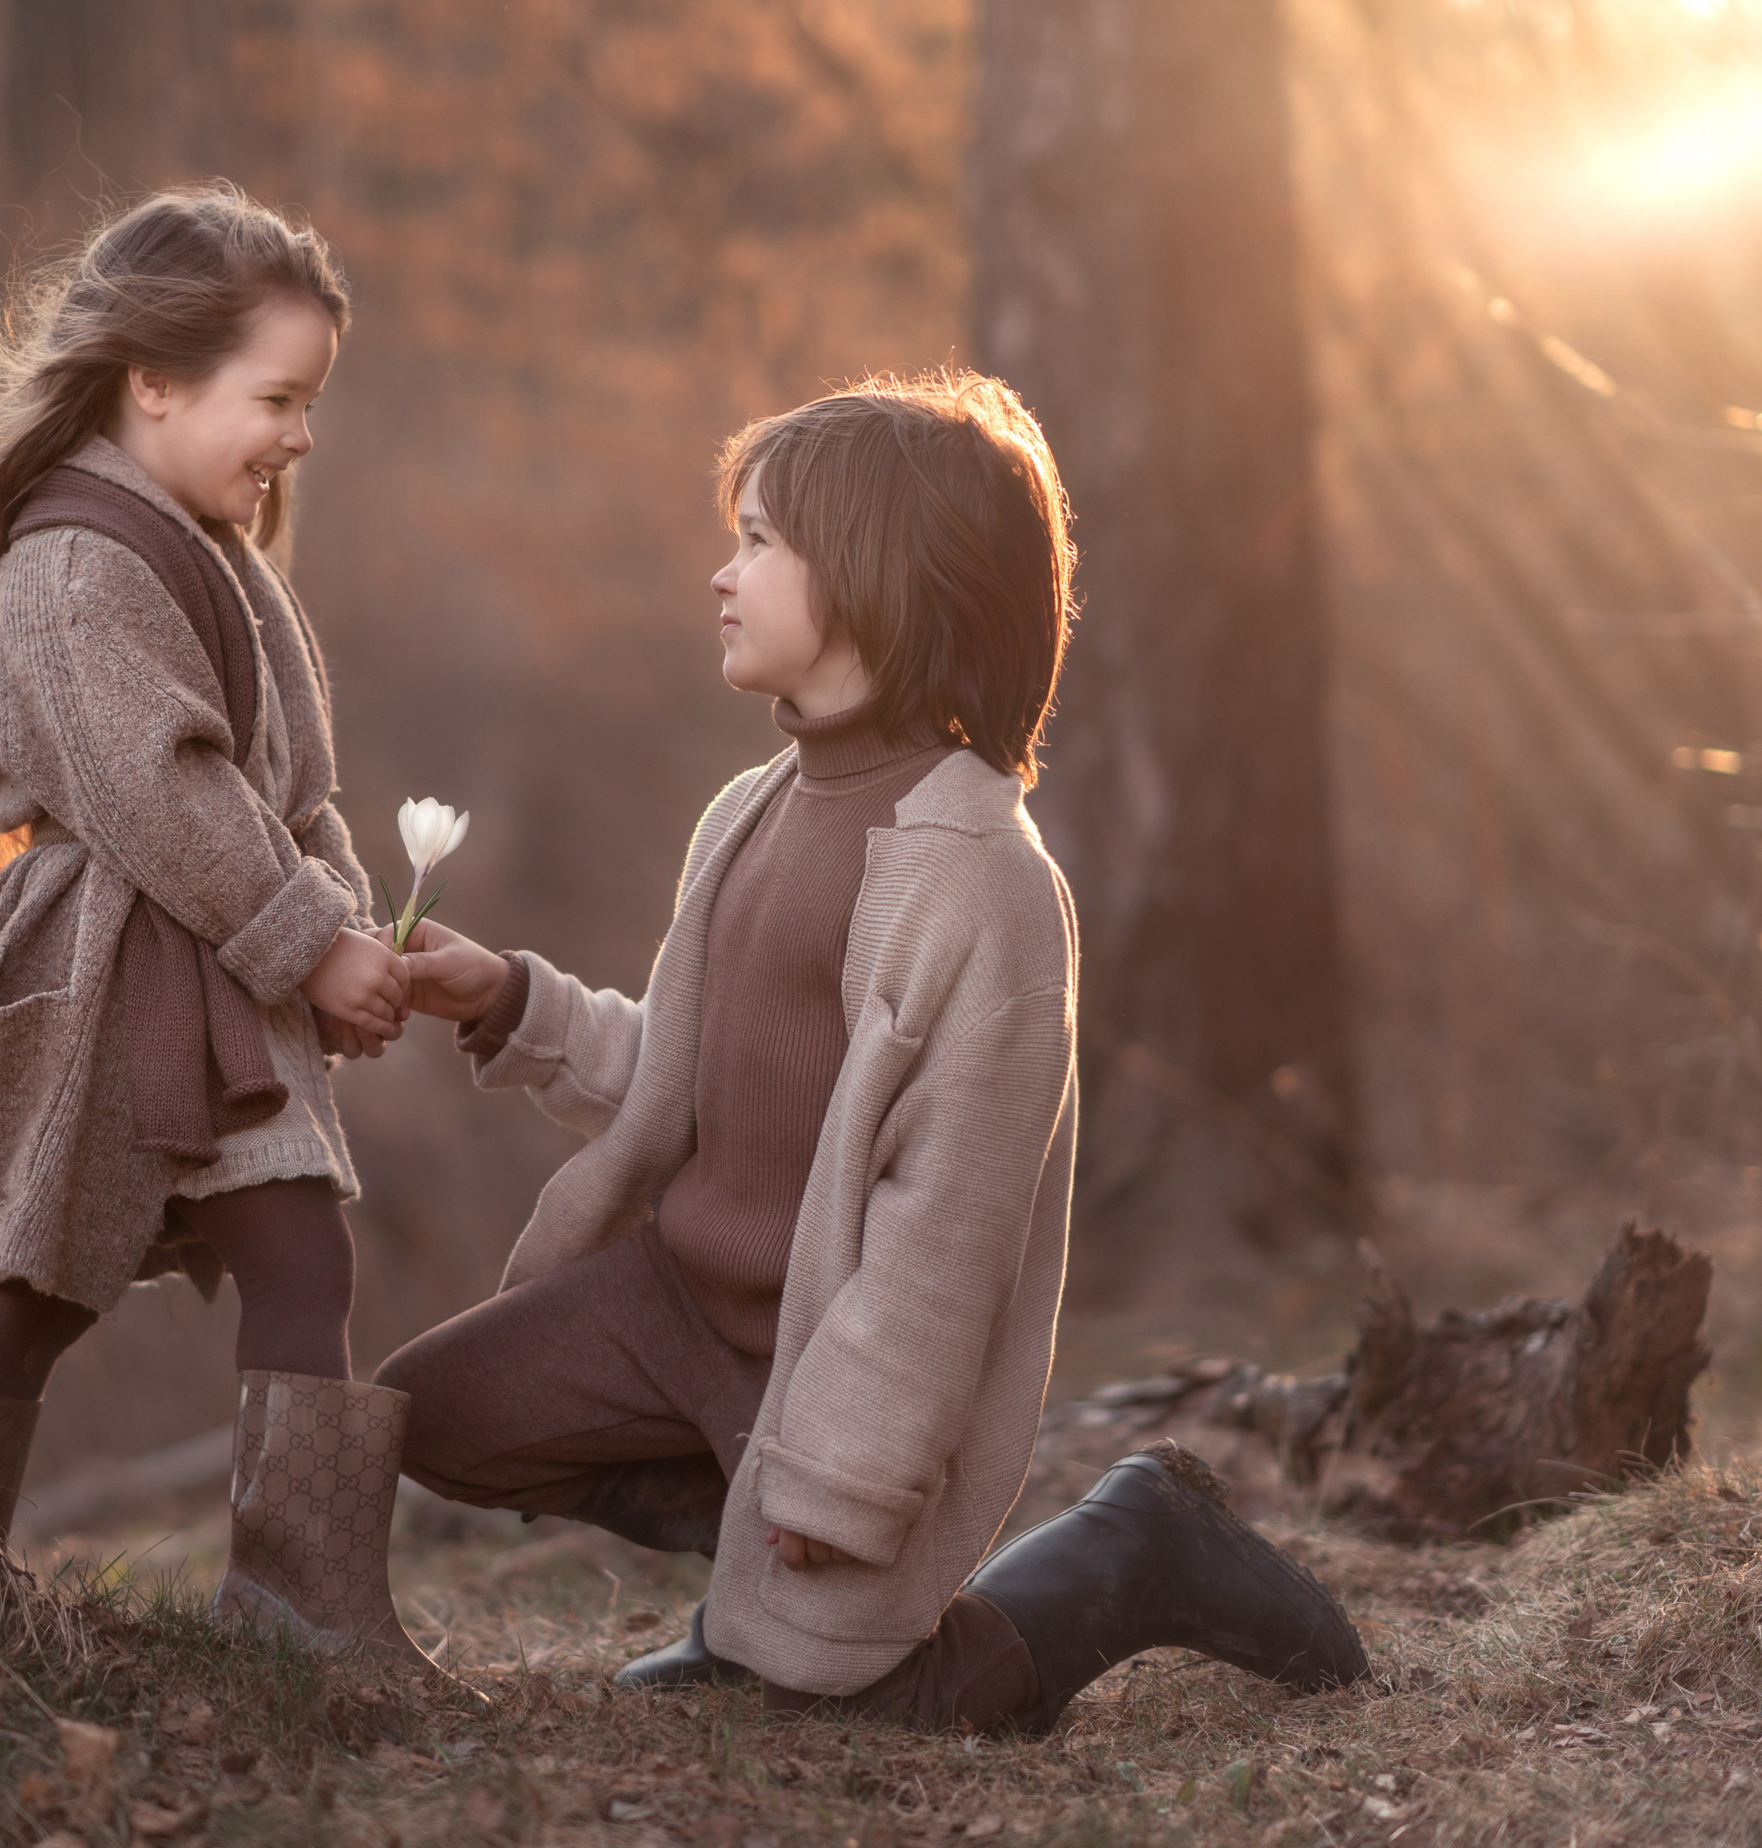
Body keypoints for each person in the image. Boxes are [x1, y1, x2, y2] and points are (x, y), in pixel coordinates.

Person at [379, 372, 1367, 1731]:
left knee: (864, 1709)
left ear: (873, 576)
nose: (722, 575)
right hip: (679, 1309)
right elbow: (697, 1078)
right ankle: (764, 1591)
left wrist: (842, 1470)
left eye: (758, 542)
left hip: (834, 1343)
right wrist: (511, 1002)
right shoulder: (750, 810)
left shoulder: (981, 882)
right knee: (432, 1413)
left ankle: (1135, 1549)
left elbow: (943, 1234)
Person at [0, 184, 446, 1679]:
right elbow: (167, 796)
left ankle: (296, 1615)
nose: (300, 437)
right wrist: (309, 945)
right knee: (45, 1285)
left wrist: (352, 931)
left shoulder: (221, 556)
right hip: (112, 975)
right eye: (277, 399)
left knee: (287, 1260)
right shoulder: (73, 566)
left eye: (310, 404)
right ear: (154, 379)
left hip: (216, 965)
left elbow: (287, 791)